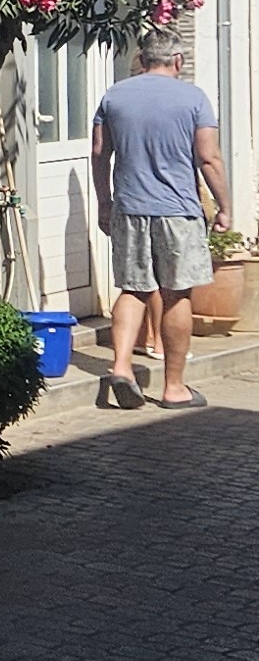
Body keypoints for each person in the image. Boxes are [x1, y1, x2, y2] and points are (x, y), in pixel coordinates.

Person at [92, 27, 230, 411]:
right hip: (178, 211)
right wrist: (224, 206)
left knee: (133, 290)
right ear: (178, 61)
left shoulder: (114, 96)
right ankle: (174, 387)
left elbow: (100, 153)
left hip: (130, 208)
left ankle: (121, 367)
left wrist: (104, 203)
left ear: (142, 59)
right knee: (176, 293)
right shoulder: (194, 98)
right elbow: (208, 158)